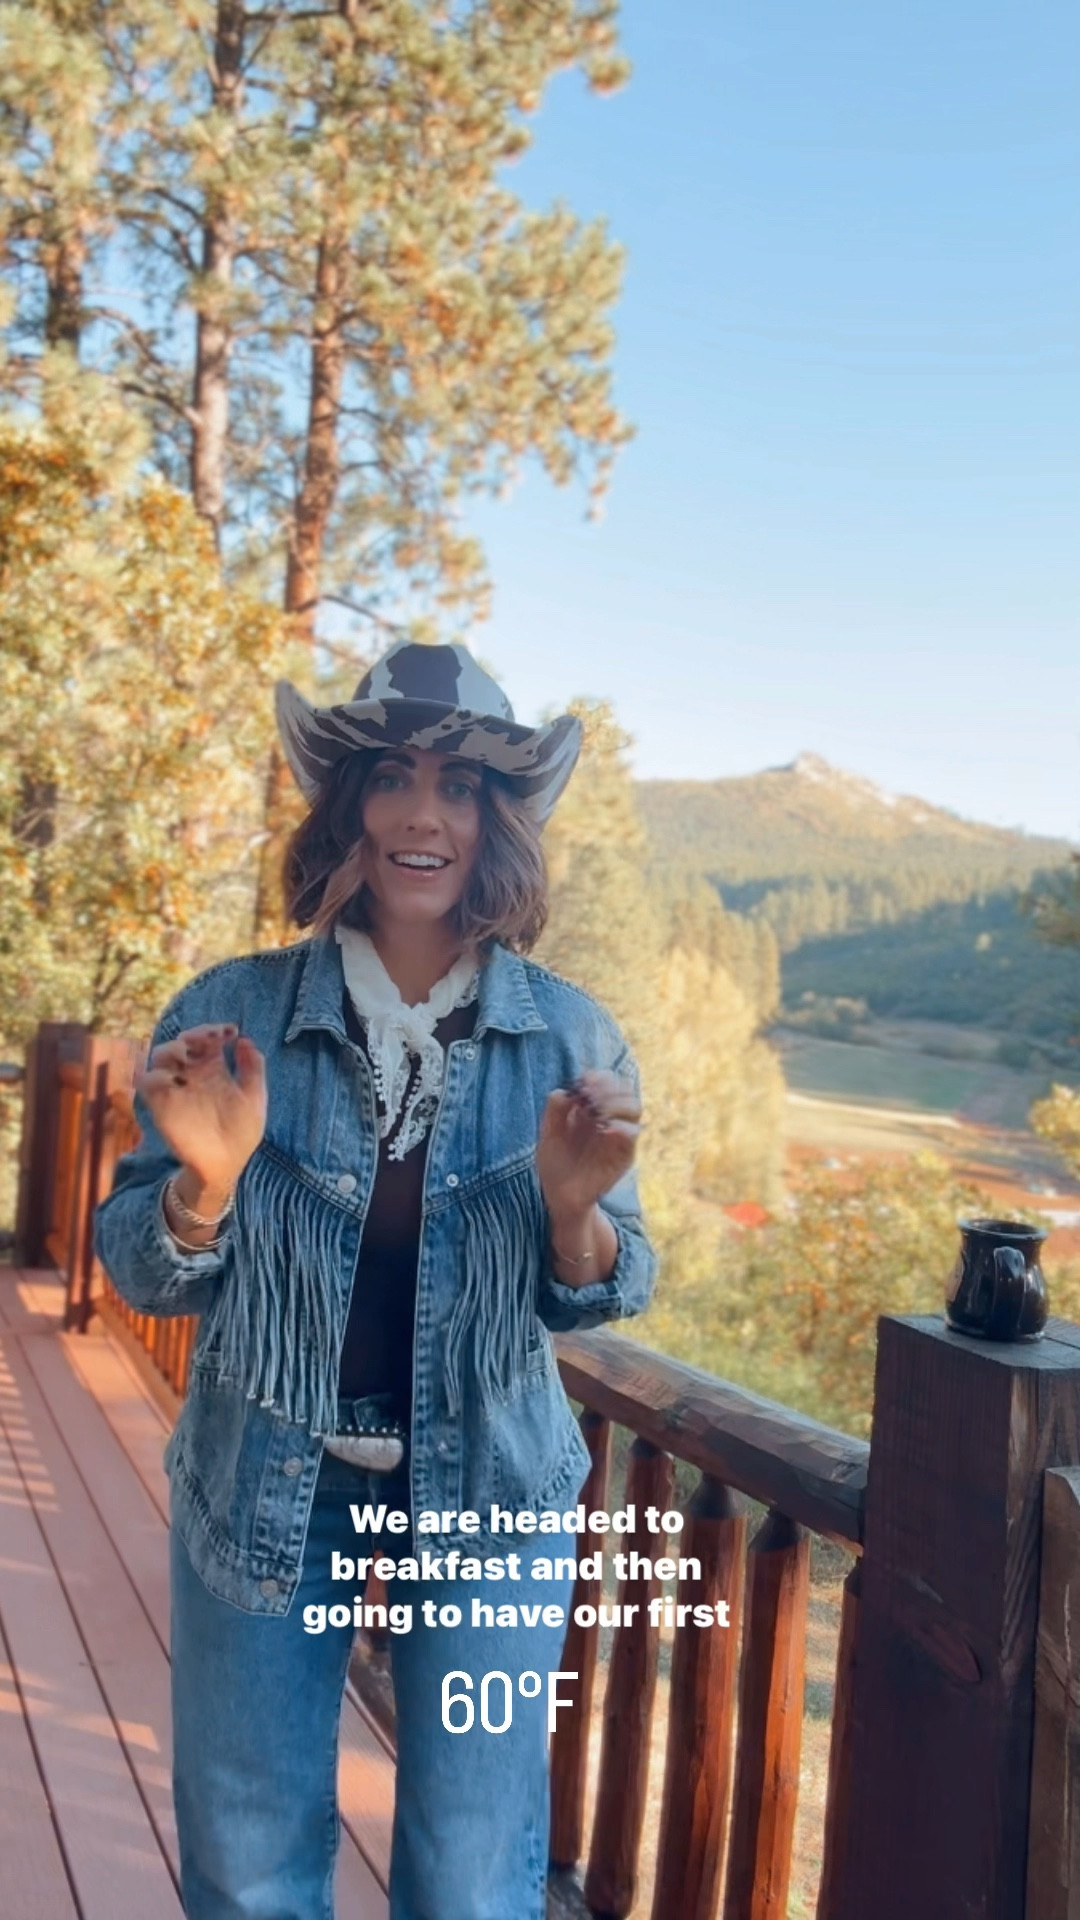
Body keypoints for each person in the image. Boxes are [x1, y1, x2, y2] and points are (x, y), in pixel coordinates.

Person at [93, 639, 658, 1920]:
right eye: (394, 778)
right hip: (260, 1481)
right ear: (350, 805)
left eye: (458, 786)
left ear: (494, 820)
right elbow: (140, 1268)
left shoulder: (572, 1034)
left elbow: (613, 1286)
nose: (421, 812)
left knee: (470, 1880)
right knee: (247, 1869)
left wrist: (575, 1217)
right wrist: (208, 1184)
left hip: (493, 1496)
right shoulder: (230, 1012)